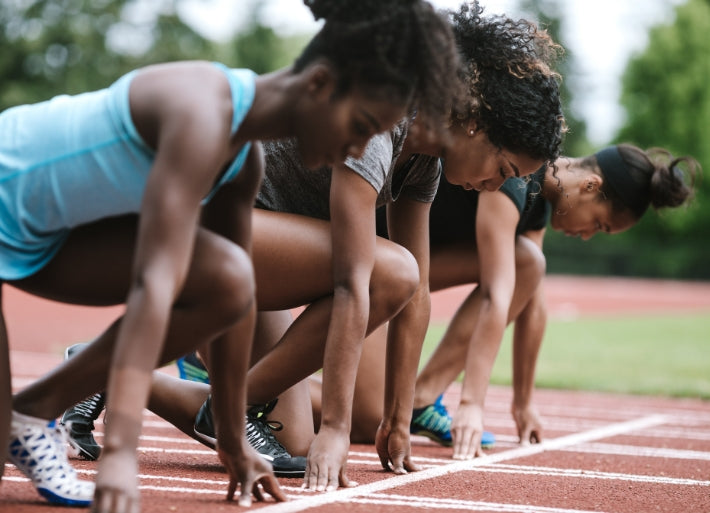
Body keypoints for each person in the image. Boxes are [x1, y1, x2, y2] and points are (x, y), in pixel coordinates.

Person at [76, 0, 565, 493]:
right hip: (195, 228)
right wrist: (337, 426)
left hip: (252, 249)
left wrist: (397, 418)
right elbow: (355, 282)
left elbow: (415, 302)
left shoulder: (425, 163)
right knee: (389, 271)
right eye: (502, 170)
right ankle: (229, 404)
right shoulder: (384, 119)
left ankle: (102, 372)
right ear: (477, 124)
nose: (491, 187)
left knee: (292, 444)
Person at [1, 0, 463, 509]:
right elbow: (154, 291)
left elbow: (231, 302)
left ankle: (32, 410)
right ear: (319, 84)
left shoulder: (241, 162)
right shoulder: (201, 113)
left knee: (227, 279)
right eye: (361, 126)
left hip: (41, 242)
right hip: (10, 210)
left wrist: (233, 441)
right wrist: (120, 455)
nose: (358, 149)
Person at [313, 143, 699, 460]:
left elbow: (530, 297)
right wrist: (472, 403)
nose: (587, 236)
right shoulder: (514, 177)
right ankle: (264, 391)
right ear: (590, 186)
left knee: (529, 263)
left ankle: (421, 397)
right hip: (365, 254)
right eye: (599, 224)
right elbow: (497, 297)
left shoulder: (541, 201)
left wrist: (523, 401)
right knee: (366, 419)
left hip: (405, 264)